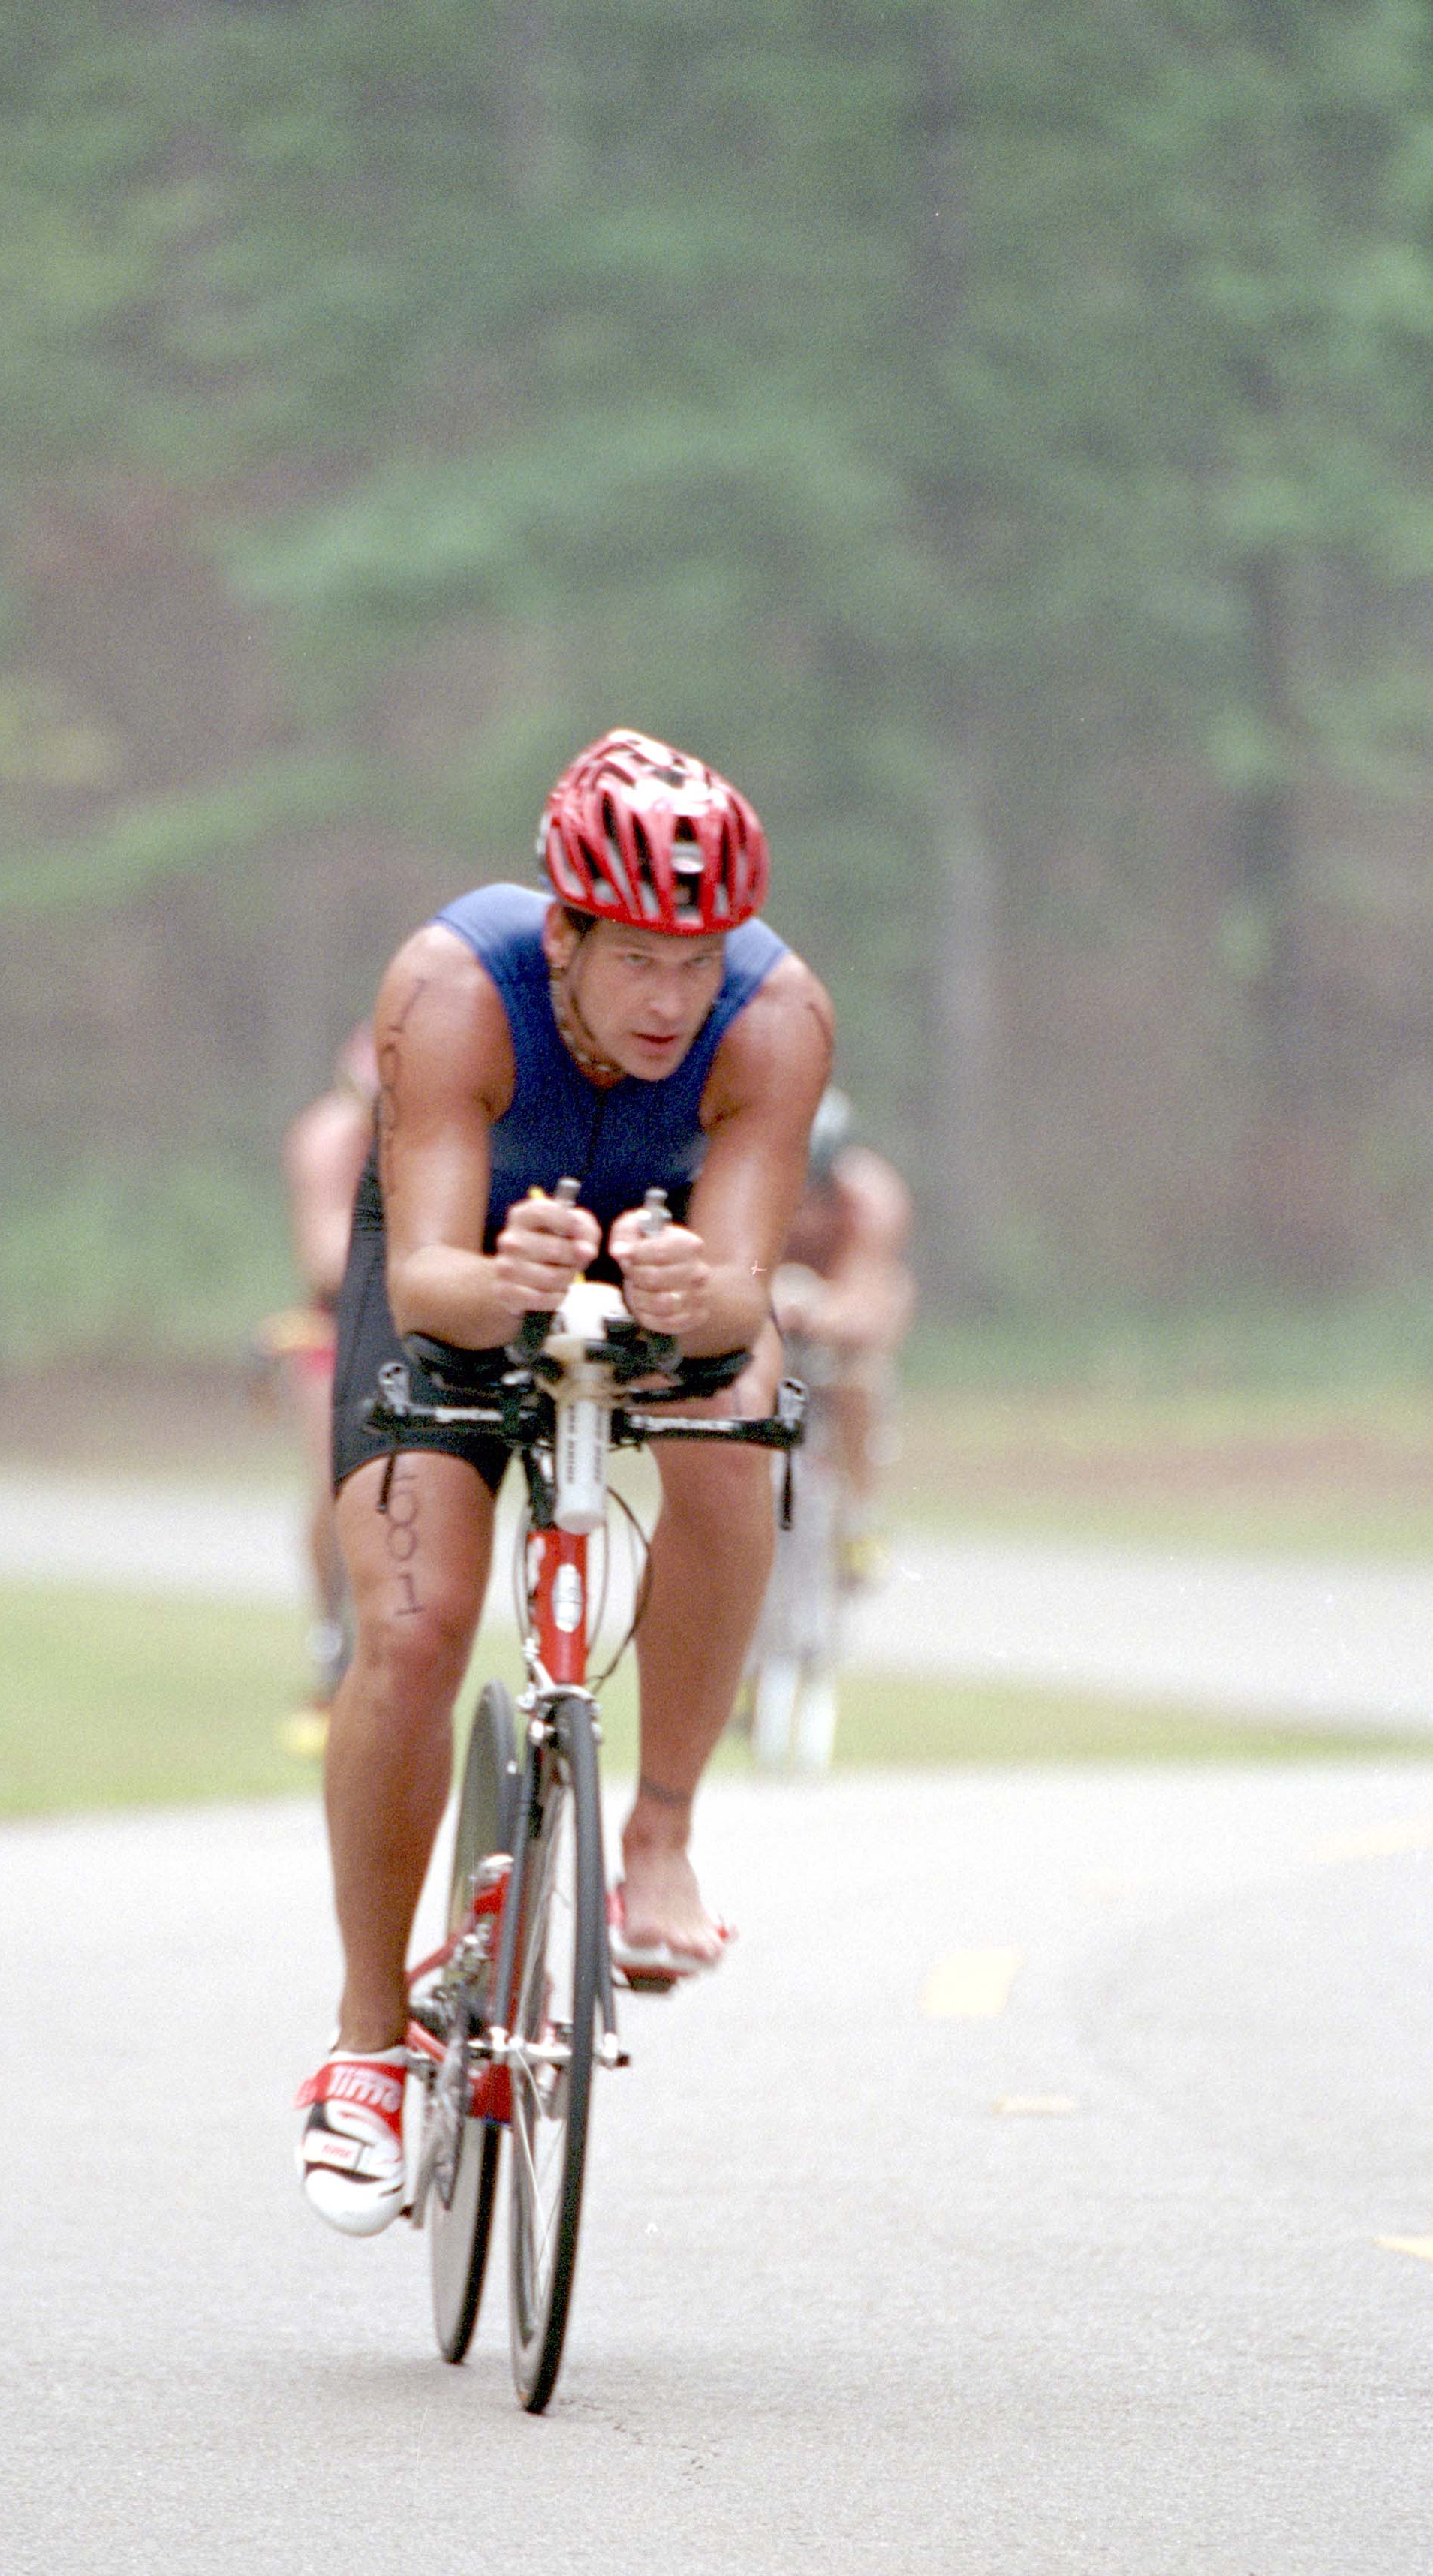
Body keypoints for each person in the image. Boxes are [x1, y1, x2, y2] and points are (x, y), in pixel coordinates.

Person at [296, 728, 833, 2232]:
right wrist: (507, 1278)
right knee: (412, 1616)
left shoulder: (774, 1020)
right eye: (636, 960)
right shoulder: (450, 994)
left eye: (696, 957)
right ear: (565, 934)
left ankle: (653, 1834)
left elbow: (738, 1303)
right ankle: (362, 2045)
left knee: (736, 1439)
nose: (672, 998)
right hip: (466, 1255)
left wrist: (693, 1290)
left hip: (664, 1255)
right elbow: (424, 1282)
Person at [267, 1025, 378, 1741]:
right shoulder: (325, 1138)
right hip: (335, 1324)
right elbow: (326, 1262)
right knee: (335, 1482)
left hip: (417, 1316)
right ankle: (330, 1634)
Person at [769, 1088, 915, 1581]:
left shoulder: (871, 1196)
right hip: (769, 1311)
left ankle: (860, 1516)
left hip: (845, 1306)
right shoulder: (752, 1182)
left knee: (859, 1375)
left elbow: (871, 1288)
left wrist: (821, 1310)